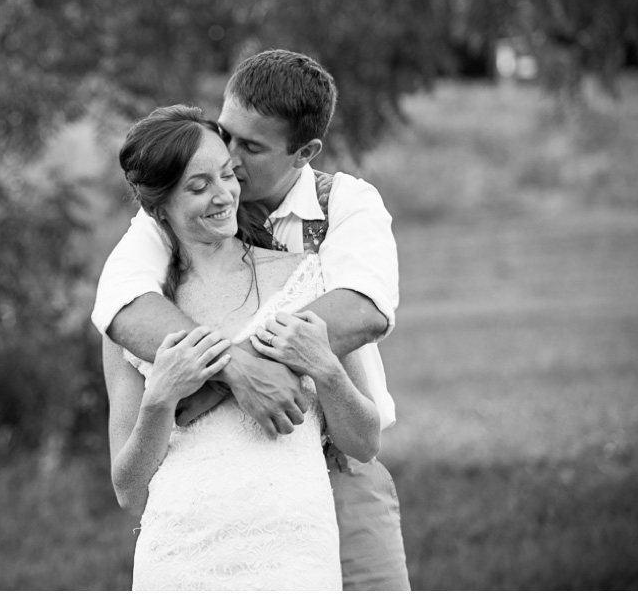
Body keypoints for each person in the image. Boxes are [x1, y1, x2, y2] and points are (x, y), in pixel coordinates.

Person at [93, 49, 410, 590]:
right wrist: (234, 368)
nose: (230, 163)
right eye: (226, 134)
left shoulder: (345, 208)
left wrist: (221, 381)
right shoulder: (177, 204)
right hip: (198, 515)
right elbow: (120, 305)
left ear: (304, 152)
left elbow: (361, 310)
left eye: (251, 147)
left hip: (338, 468)